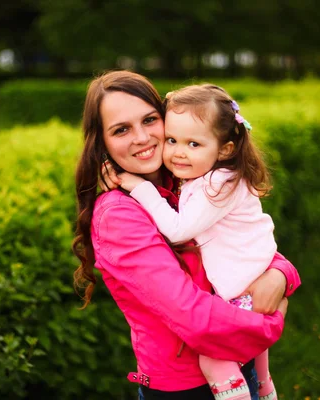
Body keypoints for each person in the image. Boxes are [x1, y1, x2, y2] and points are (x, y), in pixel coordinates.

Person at [72, 70, 301, 400]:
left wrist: (281, 273)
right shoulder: (119, 215)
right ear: (102, 142)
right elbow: (193, 317)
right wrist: (272, 323)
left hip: (235, 360)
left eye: (150, 120)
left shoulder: (186, 180)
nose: (141, 137)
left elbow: (246, 242)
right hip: (187, 386)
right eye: (121, 129)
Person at [115, 84, 280, 400]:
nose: (178, 152)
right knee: (250, 347)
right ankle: (264, 385)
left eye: (193, 143)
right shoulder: (213, 174)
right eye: (172, 140)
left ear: (225, 149)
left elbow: (177, 229)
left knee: (213, 358)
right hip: (254, 274)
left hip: (244, 287)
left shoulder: (216, 185)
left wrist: (140, 188)